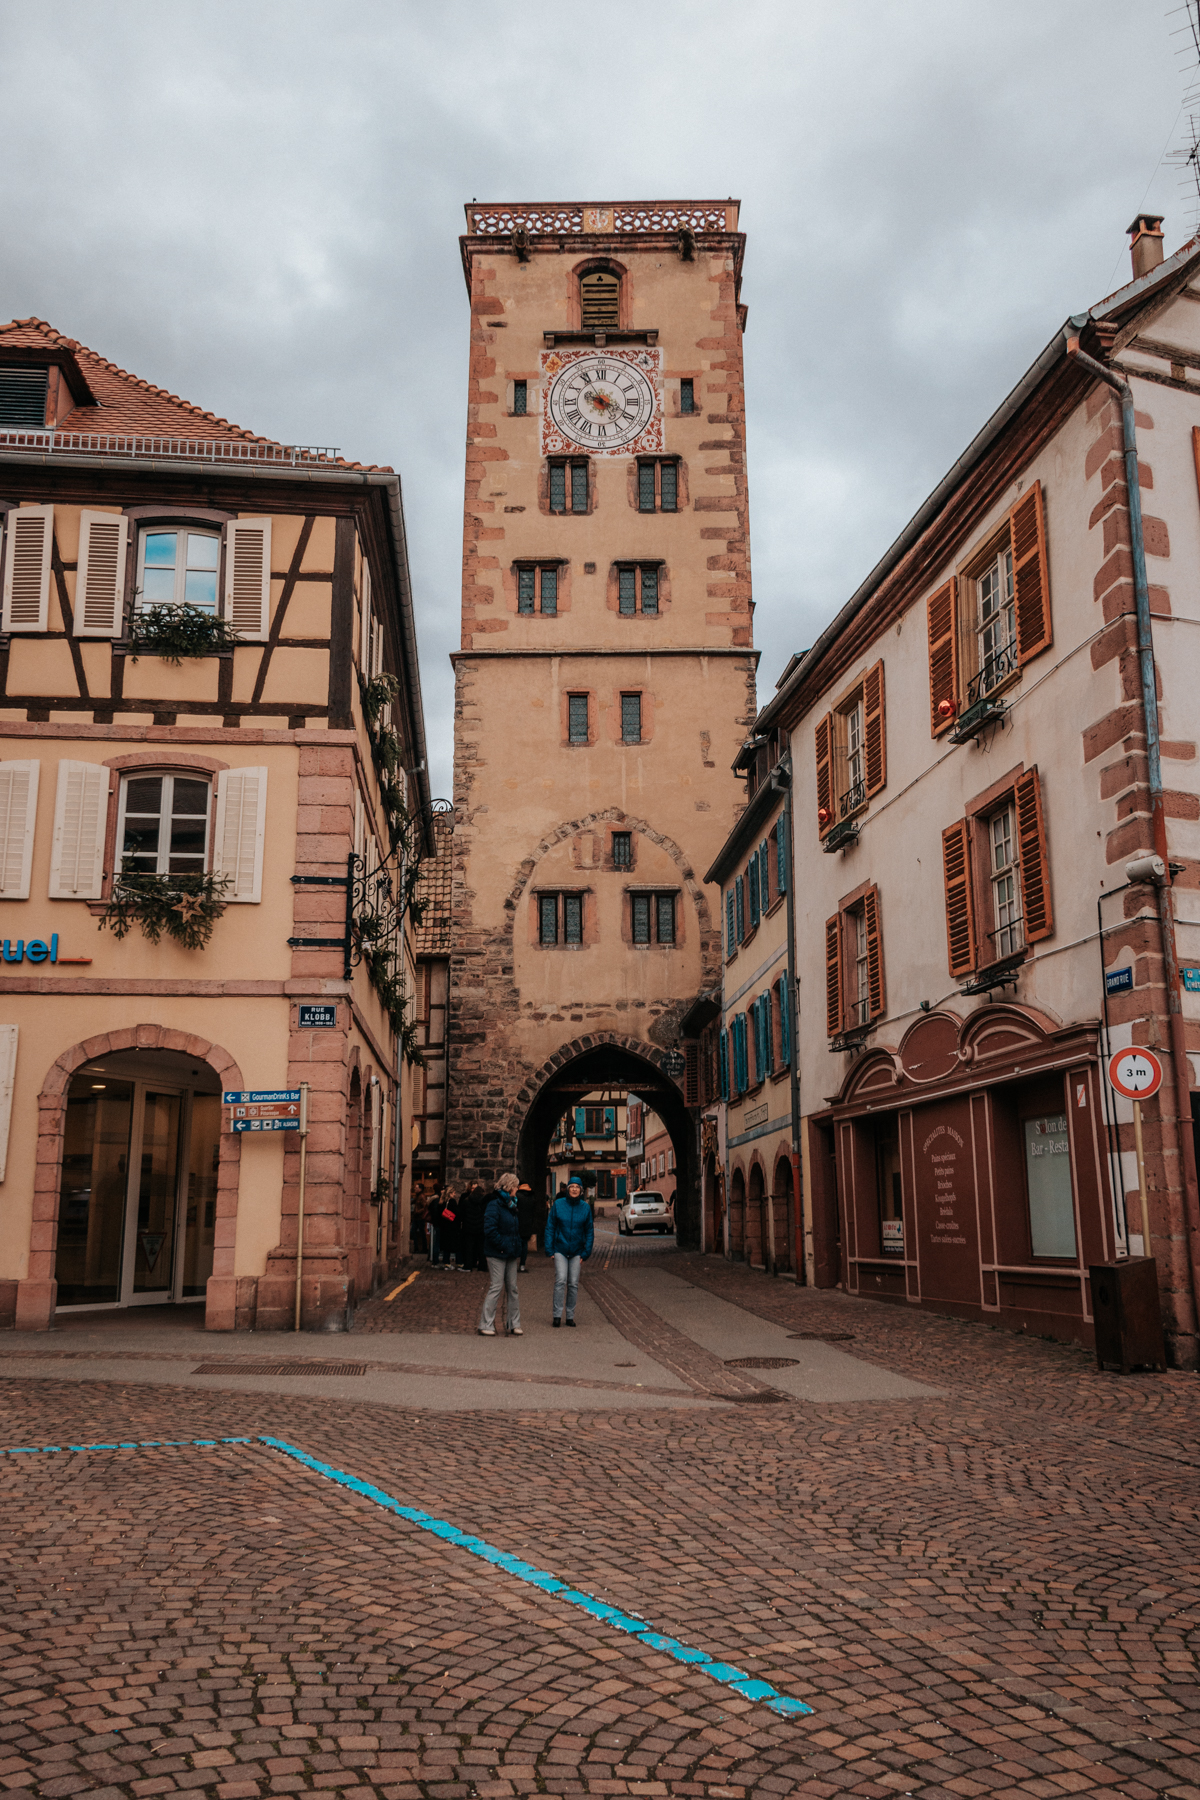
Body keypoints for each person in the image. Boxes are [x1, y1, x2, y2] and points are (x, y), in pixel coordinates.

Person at [545, 1174, 594, 1327]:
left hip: (576, 1251)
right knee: (560, 1280)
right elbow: (550, 1227)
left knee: (573, 1283)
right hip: (560, 1248)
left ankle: (570, 1316)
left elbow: (589, 1231)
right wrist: (549, 1249)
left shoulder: (585, 1208)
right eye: (571, 1187)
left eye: (577, 1187)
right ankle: (557, 1315)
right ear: (568, 1189)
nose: (574, 1189)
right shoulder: (558, 1205)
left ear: (581, 1190)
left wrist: (586, 1253)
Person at [478, 1173, 523, 1336]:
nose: (517, 1189)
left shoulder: (512, 1205)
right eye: (516, 1186)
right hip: (496, 1252)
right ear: (509, 1187)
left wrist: (515, 1245)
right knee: (496, 1287)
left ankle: (514, 1323)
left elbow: (514, 1230)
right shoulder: (494, 1205)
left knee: (513, 1288)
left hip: (510, 1251)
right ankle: (486, 1323)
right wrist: (504, 1245)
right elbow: (490, 1229)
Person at [458, 1182, 487, 1272]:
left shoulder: (466, 1201)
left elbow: (461, 1214)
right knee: (481, 1248)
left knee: (469, 1249)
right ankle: (482, 1266)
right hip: (480, 1227)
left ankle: (468, 1266)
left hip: (469, 1227)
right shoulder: (483, 1201)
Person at [517, 1182, 537, 1273]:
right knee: (524, 1245)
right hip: (527, 1224)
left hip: (517, 1223)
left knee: (516, 1244)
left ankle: (512, 1264)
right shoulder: (531, 1198)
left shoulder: (517, 1196)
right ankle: (522, 1265)